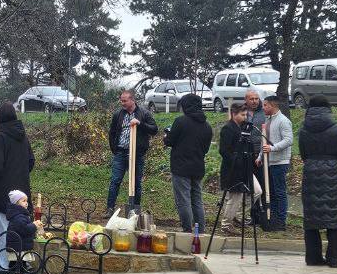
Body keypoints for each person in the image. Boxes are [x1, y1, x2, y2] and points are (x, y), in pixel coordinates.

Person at [0, 102, 35, 274]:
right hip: (21, 194)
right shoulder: (23, 138)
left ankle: (2, 269)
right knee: (19, 232)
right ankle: (20, 266)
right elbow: (31, 162)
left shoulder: (1, 138)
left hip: (2, 195)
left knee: (2, 232)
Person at [298, 95, 337, 267]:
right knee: (332, 217)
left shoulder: (303, 130)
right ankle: (333, 258)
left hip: (311, 173)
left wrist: (313, 163)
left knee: (311, 219)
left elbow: (303, 154)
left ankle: (313, 257)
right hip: (333, 173)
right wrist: (334, 165)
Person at [164, 93, 213, 234]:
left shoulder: (180, 121)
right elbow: (205, 149)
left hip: (180, 167)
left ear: (186, 106)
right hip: (198, 167)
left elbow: (170, 141)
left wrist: (166, 136)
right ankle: (200, 230)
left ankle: (187, 229)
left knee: (183, 199)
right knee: (197, 200)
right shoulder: (207, 126)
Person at [106, 89, 158, 212]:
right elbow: (112, 132)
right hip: (120, 152)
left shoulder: (144, 113)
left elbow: (154, 129)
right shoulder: (118, 114)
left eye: (124, 101)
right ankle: (109, 208)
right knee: (115, 181)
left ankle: (135, 210)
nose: (122, 103)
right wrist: (114, 148)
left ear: (132, 100)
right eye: (121, 101)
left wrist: (140, 124)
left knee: (136, 183)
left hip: (137, 154)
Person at [217, 102, 261, 233]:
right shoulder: (228, 129)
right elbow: (224, 150)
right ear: (234, 114)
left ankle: (236, 214)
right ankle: (226, 223)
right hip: (234, 169)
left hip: (245, 167)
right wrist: (236, 162)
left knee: (257, 191)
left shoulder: (244, 128)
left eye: (246, 114)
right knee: (235, 196)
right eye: (242, 115)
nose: (245, 117)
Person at [260, 95, 293, 232]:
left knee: (279, 192)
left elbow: (288, 140)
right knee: (271, 192)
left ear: (272, 106)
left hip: (280, 162)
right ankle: (272, 219)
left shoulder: (283, 121)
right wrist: (260, 156)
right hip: (269, 161)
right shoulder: (268, 120)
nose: (263, 107)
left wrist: (272, 148)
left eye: (265, 105)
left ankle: (281, 220)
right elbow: (265, 140)